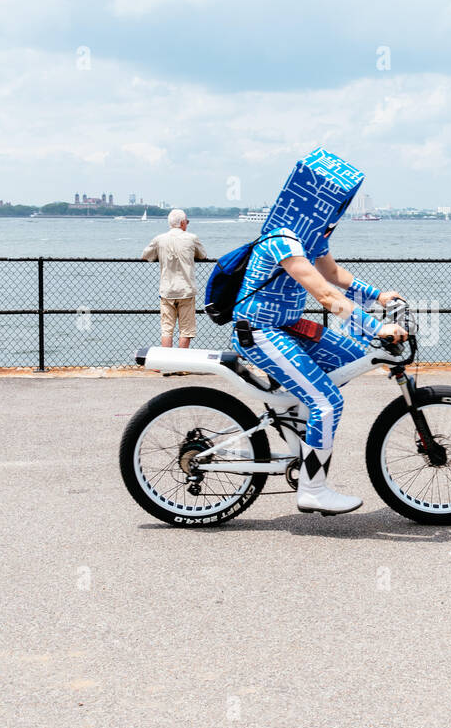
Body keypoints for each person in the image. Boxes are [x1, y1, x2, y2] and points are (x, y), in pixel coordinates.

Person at [232, 148, 407, 515]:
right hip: (261, 331)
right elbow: (326, 294)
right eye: (333, 205)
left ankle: (298, 415)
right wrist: (376, 326)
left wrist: (377, 295)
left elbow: (333, 274)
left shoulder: (310, 240)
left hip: (289, 327)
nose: (336, 213)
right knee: (327, 402)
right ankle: (313, 488)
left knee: (353, 357)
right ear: (315, 202)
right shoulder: (283, 240)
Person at [141, 209, 206, 348]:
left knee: (167, 329)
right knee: (186, 330)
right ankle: (181, 366)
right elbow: (203, 255)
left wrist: (161, 255)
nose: (187, 224)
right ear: (182, 223)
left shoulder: (159, 239)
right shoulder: (191, 238)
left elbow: (146, 255)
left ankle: (166, 364)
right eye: (186, 222)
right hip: (186, 290)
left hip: (167, 290)